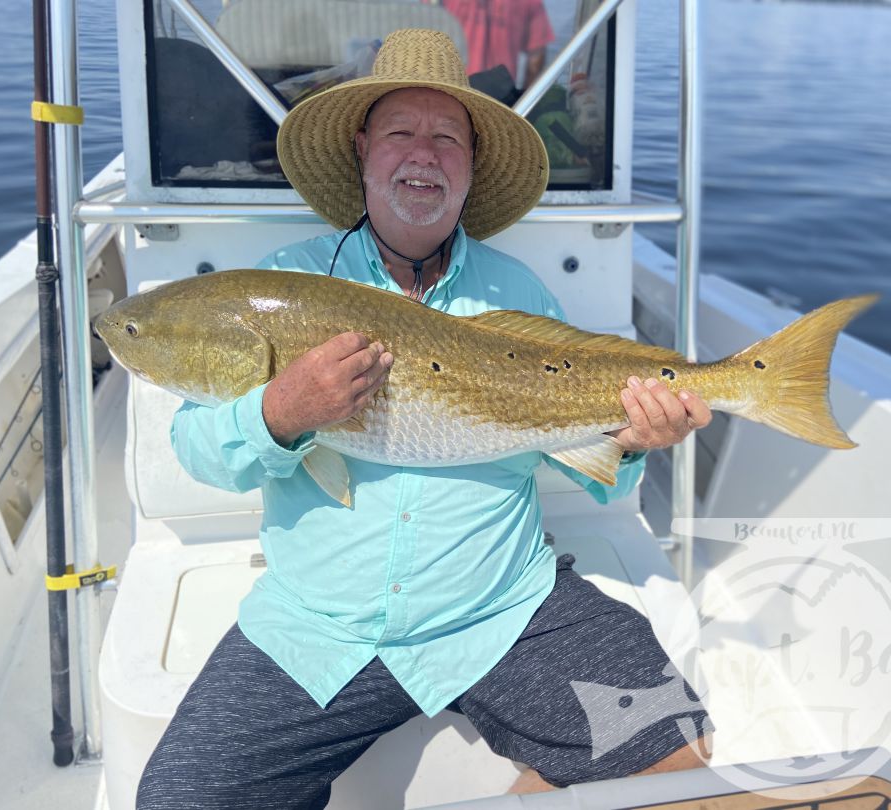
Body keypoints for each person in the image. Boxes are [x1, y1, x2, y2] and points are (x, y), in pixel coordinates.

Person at [137, 28, 713, 809]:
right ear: (362, 149)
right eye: (402, 131)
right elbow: (197, 451)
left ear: (472, 166)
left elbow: (588, 461)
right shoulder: (286, 283)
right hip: (320, 626)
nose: (424, 153)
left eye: (448, 137)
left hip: (502, 606)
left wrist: (636, 439)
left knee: (677, 751)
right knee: (180, 801)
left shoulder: (519, 295)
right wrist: (280, 412)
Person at [431, 0, 555, 89]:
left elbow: (425, 31)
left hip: (454, 88)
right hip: (501, 95)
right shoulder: (531, 2)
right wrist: (523, 99)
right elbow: (535, 61)